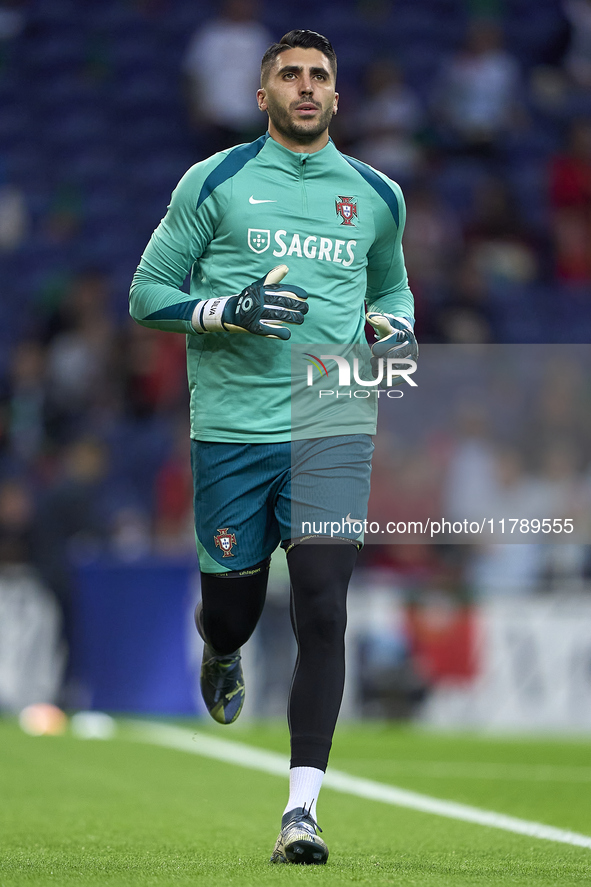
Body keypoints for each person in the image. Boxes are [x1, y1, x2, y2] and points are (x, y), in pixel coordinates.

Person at [130, 29, 415, 865]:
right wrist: (230, 309)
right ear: (262, 96)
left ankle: (301, 811)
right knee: (235, 610)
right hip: (231, 429)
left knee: (325, 605)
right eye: (288, 74)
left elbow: (391, 283)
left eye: (318, 76)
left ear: (336, 97)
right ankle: (220, 647)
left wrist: (393, 323)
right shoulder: (213, 179)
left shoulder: (375, 195)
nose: (304, 86)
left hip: (332, 420)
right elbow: (149, 293)